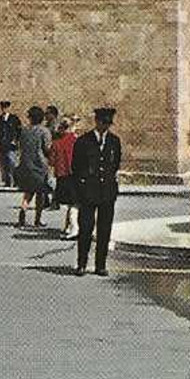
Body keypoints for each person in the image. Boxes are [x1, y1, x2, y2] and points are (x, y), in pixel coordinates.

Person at [73, 107, 122, 276]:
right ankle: (82, 264)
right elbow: (76, 167)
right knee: (85, 228)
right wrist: (80, 191)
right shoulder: (83, 141)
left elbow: (115, 164)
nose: (106, 126)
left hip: (107, 192)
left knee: (104, 229)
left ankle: (100, 265)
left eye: (108, 123)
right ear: (97, 122)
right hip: (88, 191)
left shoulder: (114, 141)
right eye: (103, 123)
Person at [15, 106, 52, 226]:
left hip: (26, 164)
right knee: (40, 193)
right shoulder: (44, 131)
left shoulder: (24, 131)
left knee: (28, 192)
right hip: (39, 165)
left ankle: (23, 208)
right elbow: (47, 148)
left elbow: (20, 146)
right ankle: (38, 219)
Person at [49, 116, 79, 238]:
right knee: (75, 203)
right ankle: (74, 228)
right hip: (76, 174)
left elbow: (51, 161)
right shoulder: (76, 140)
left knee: (70, 203)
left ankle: (69, 227)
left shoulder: (56, 143)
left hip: (62, 175)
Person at [0, 101, 21, 186]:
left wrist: (16, 140)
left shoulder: (14, 119)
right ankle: (7, 181)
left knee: (12, 163)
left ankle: (15, 180)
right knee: (4, 163)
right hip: (2, 144)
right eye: (2, 107)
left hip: (11, 145)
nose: (4, 109)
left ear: (9, 108)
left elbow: (19, 130)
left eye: (6, 107)